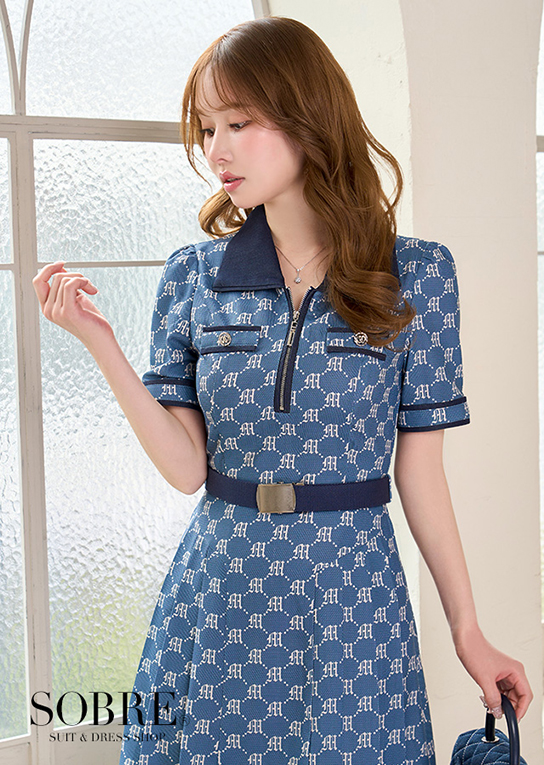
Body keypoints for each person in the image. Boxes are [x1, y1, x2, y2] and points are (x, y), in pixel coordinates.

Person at [33, 15, 532, 765]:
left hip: (352, 596)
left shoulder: (418, 275)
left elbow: (421, 474)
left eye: (238, 123)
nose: (216, 150)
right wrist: (98, 341)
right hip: (221, 590)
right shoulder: (192, 278)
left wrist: (469, 631)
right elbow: (186, 468)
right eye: (207, 129)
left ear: (308, 118)